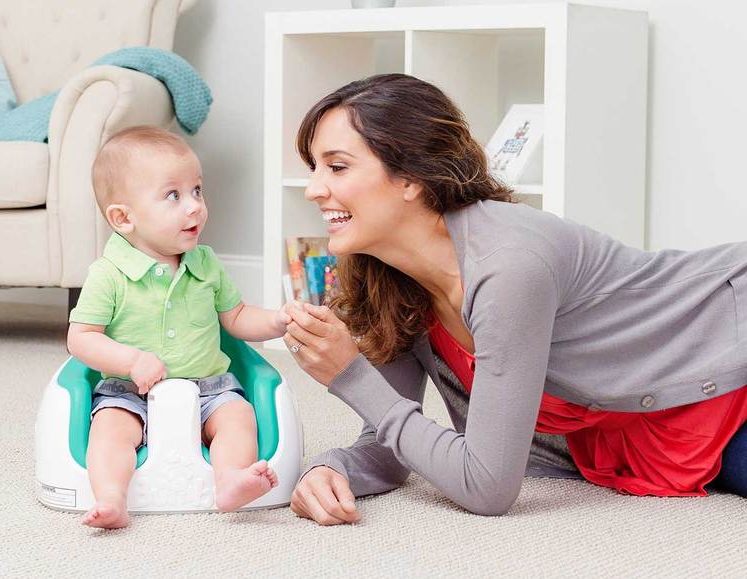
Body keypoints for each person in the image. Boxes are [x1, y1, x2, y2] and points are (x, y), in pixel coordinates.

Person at [278, 73, 747, 524]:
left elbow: (486, 487)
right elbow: (392, 440)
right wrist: (333, 468)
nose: (314, 189)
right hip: (652, 432)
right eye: (313, 168)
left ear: (410, 178)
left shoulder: (508, 266)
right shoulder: (394, 278)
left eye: (337, 167)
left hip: (727, 372)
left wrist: (351, 374)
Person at [67, 125, 291, 529]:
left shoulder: (206, 264)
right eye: (174, 195)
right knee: (109, 432)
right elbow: (81, 339)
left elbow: (237, 317)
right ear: (123, 218)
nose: (195, 207)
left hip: (210, 387)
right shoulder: (109, 273)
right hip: (128, 392)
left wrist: (277, 320)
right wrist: (131, 361)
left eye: (197, 190)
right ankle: (112, 498)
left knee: (239, 417)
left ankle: (230, 480)